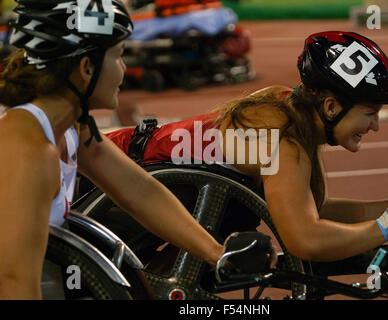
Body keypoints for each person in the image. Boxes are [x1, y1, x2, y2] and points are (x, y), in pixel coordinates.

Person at [106, 31, 388, 263]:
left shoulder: (293, 112)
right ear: (330, 107)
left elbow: (313, 211)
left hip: (141, 173)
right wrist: (386, 227)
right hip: (110, 177)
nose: (375, 126)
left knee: (238, 212)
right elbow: (306, 240)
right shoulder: (281, 138)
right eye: (370, 113)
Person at [0, 0, 222, 299]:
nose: (125, 68)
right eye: (118, 56)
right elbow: (13, 281)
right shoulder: (29, 149)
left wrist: (216, 254)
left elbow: (138, 190)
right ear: (86, 67)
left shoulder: (71, 125)